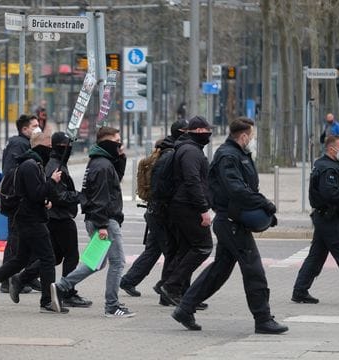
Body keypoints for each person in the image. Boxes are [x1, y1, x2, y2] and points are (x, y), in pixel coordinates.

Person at [170, 117, 288, 334]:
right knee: (254, 270)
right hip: (230, 221)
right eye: (250, 136)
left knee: (219, 270)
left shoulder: (237, 154)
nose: (251, 140)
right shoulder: (228, 156)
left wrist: (262, 208)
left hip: (235, 221)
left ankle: (185, 308)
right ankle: (263, 319)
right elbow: (237, 189)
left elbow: (244, 187)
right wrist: (265, 204)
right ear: (243, 136)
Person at [0, 132, 66, 314]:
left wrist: (45, 200)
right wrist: (52, 181)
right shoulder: (30, 166)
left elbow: (33, 194)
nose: (52, 149)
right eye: (49, 145)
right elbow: (36, 193)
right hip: (30, 220)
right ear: (40, 146)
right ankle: (47, 301)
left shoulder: (32, 164)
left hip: (25, 218)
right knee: (48, 258)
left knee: (20, 260)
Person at [51, 126, 135, 317]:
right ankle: (112, 306)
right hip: (106, 220)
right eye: (117, 142)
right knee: (117, 262)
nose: (120, 145)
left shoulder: (98, 162)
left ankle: (61, 286)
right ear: (107, 143)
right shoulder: (102, 165)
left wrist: (121, 158)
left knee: (97, 262)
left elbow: (114, 182)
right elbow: (100, 197)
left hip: (99, 218)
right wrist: (103, 225)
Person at [14, 131, 92, 308]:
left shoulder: (57, 162)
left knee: (54, 256)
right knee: (71, 255)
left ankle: (22, 278)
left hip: (55, 216)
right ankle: (67, 291)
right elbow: (57, 195)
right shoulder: (54, 165)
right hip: (59, 216)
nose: (69, 148)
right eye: (65, 145)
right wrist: (79, 196)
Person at [120, 120, 185, 303]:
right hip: (159, 213)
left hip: (154, 212)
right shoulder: (170, 155)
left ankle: (129, 280)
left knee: (154, 250)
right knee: (172, 251)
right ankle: (166, 289)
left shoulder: (163, 154)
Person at [291, 135, 339, 304]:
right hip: (328, 217)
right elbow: (332, 195)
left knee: (317, 255)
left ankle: (300, 291)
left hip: (326, 216)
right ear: (331, 149)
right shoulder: (327, 169)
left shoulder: (331, 165)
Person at [158, 116, 213, 307]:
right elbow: (192, 182)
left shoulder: (187, 148)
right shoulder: (190, 152)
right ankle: (172, 287)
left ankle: (179, 293)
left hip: (181, 205)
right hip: (188, 206)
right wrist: (203, 208)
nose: (209, 134)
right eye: (206, 130)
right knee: (203, 247)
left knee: (185, 250)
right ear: (198, 131)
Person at [0, 114, 41, 293]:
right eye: (34, 125)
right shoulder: (19, 144)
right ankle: (6, 282)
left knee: (27, 241)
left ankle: (27, 277)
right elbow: (11, 172)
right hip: (18, 203)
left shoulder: (25, 143)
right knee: (15, 242)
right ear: (25, 129)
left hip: (24, 202)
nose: (38, 128)